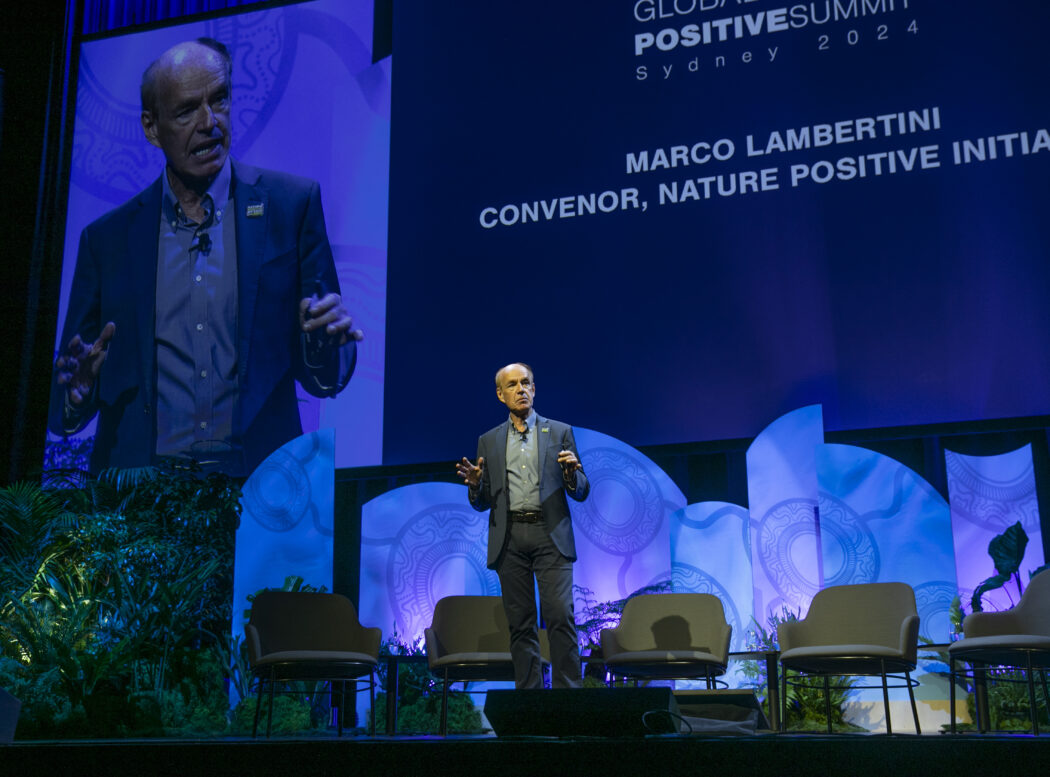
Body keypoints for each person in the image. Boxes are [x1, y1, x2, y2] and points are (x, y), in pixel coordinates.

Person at [48, 38, 361, 476]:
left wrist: (323, 346)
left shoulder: (292, 207)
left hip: (259, 496)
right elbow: (64, 401)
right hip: (142, 503)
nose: (209, 123)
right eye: (186, 111)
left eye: (219, 100)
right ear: (151, 128)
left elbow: (326, 377)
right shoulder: (107, 240)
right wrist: (76, 395)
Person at [456, 362, 590, 689]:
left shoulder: (559, 432)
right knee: (520, 625)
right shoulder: (488, 440)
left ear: (534, 388)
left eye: (526, 383)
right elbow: (482, 501)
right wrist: (475, 485)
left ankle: (568, 700)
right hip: (510, 539)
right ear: (500, 395)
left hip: (550, 534)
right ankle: (531, 705)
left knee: (560, 617)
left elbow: (583, 490)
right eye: (513, 385)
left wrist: (572, 475)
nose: (521, 389)